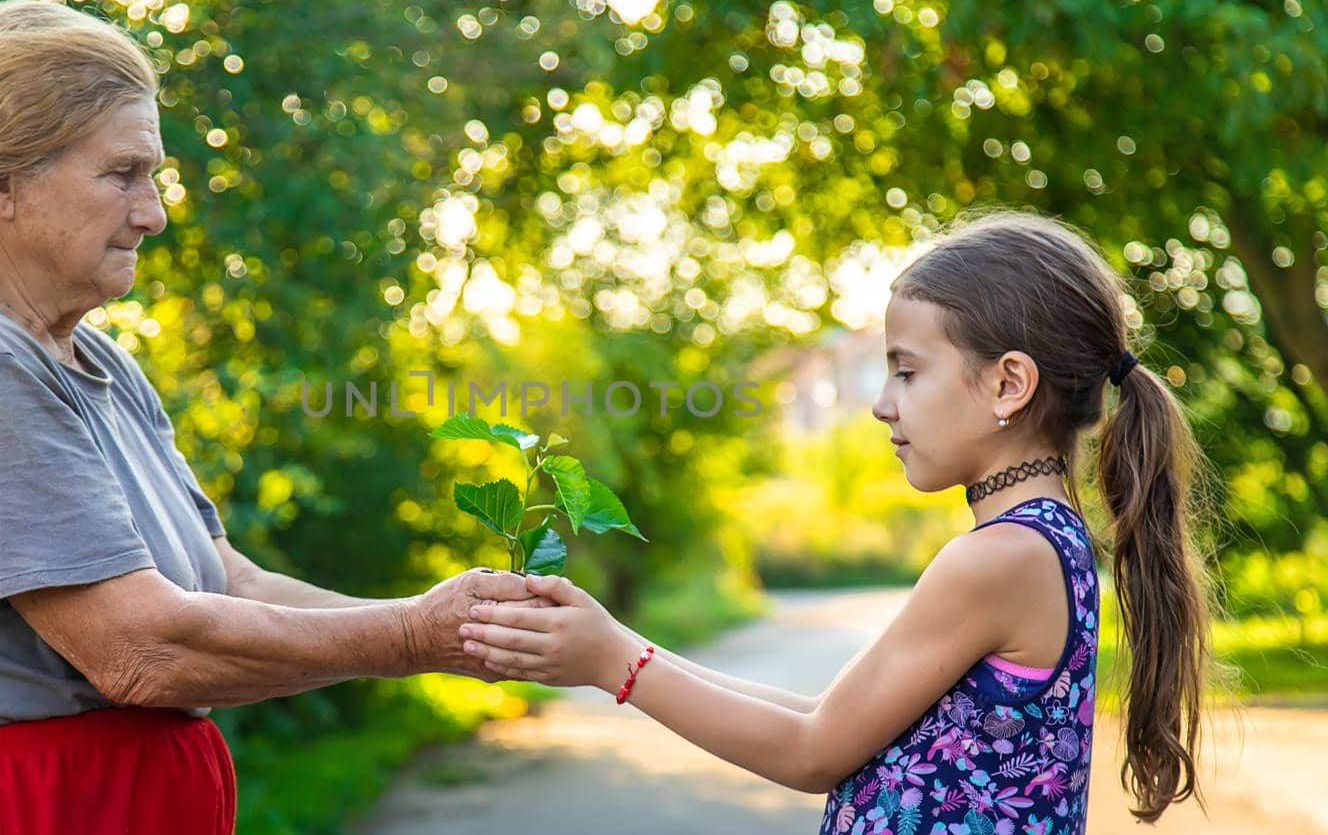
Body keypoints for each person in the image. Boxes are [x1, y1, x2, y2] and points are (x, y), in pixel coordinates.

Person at [0, 0, 541, 835]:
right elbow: (144, 649)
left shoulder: (85, 354)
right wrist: (414, 637)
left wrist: (459, 625)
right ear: (1, 179)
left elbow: (225, 582)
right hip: (17, 811)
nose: (153, 213)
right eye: (122, 174)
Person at [460, 211, 1223, 832]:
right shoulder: (1039, 543)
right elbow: (829, 717)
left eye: (908, 370)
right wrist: (619, 643)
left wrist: (612, 664)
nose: (882, 402)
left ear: (1009, 383)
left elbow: (812, 750)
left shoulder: (1000, 557)